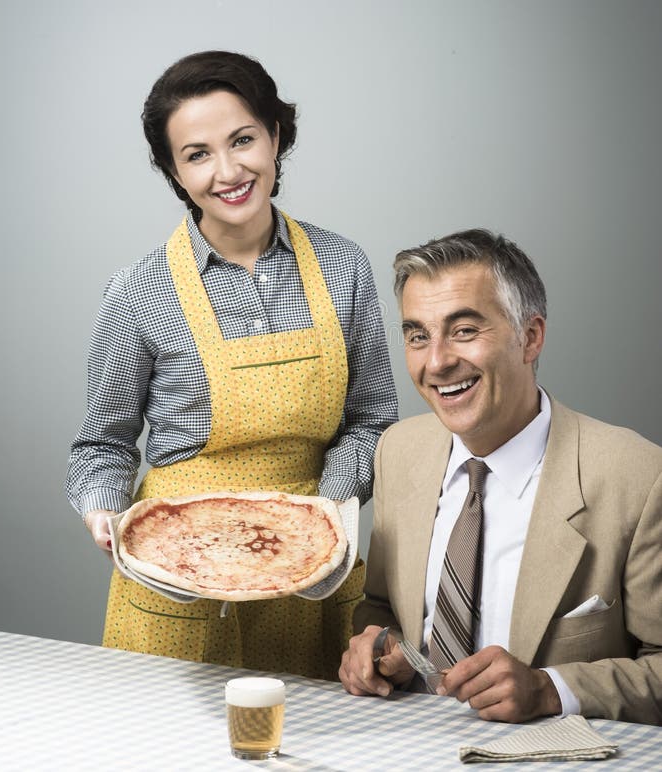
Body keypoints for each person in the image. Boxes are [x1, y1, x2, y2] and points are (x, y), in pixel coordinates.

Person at [67, 50, 397, 679]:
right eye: (196, 154)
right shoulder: (138, 291)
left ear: (276, 135)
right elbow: (102, 445)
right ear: (173, 170)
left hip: (312, 567)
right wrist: (105, 508)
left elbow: (372, 422)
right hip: (179, 571)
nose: (228, 170)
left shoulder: (343, 265)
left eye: (243, 139)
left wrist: (321, 519)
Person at [339, 229, 661, 724]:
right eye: (418, 336)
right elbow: (381, 607)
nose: (438, 361)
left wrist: (550, 690)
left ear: (530, 337)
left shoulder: (636, 476)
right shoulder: (397, 452)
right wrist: (378, 646)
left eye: (464, 330)